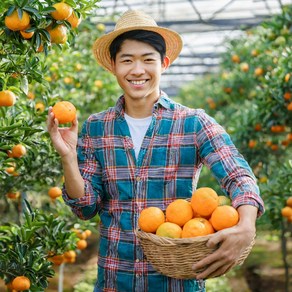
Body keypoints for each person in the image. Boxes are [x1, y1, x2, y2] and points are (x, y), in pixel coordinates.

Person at [47, 10, 264, 292]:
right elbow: (85, 207)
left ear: (164, 63)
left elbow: (238, 175)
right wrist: (68, 156)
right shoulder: (96, 128)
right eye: (127, 60)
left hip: (176, 282)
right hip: (115, 280)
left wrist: (246, 225)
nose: (137, 70)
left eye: (148, 60)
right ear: (113, 66)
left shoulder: (193, 123)